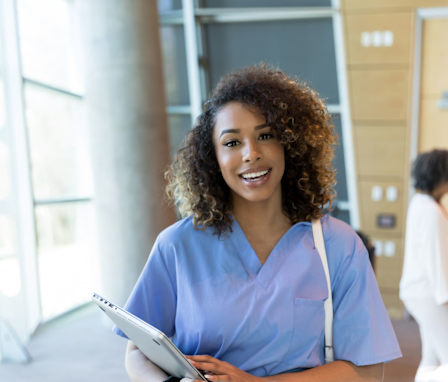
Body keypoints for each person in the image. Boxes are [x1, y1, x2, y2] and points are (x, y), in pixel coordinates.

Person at [117, 64, 401, 382]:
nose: (251, 153)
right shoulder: (176, 246)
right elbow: (137, 351)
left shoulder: (338, 245)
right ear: (214, 159)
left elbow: (368, 370)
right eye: (232, 142)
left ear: (289, 145)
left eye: (265, 135)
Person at [399, 149, 448, 382]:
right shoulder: (431, 211)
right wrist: (445, 297)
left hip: (418, 292)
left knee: (432, 358)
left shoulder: (420, 203)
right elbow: (436, 259)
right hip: (431, 294)